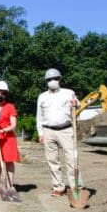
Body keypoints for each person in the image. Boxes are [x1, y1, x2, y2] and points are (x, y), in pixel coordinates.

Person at [36, 68, 80, 197]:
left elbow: (78, 106)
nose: (52, 81)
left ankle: (75, 186)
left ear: (60, 79)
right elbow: (39, 116)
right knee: (52, 160)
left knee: (72, 159)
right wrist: (40, 133)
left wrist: (75, 104)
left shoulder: (69, 93)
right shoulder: (42, 97)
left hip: (66, 129)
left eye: (55, 78)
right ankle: (58, 186)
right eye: (49, 79)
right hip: (48, 130)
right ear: (46, 81)